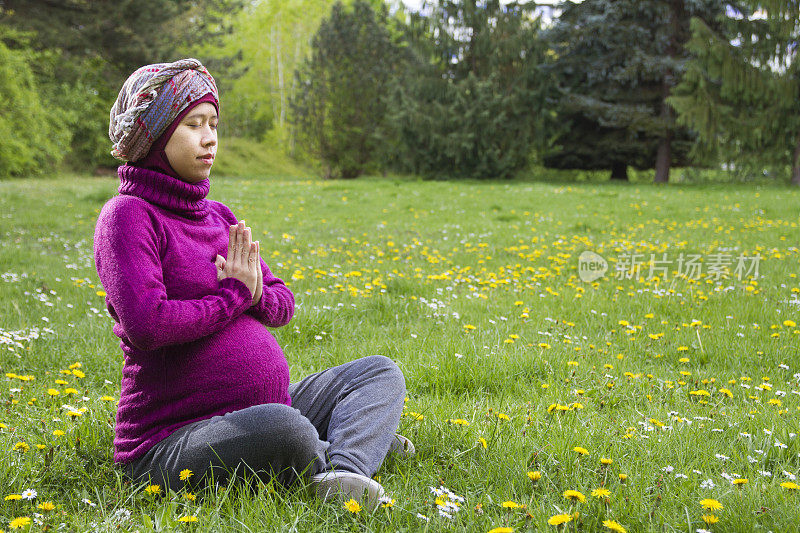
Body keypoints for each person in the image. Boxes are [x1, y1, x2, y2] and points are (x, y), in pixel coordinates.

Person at [93, 58, 412, 506]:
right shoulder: (127, 217)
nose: (210, 139)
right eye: (193, 125)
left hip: (267, 405)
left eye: (214, 124)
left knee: (379, 373)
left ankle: (344, 470)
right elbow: (149, 325)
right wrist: (232, 297)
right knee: (287, 430)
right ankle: (345, 443)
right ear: (157, 137)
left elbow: (283, 302)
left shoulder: (217, 216)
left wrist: (254, 293)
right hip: (173, 439)